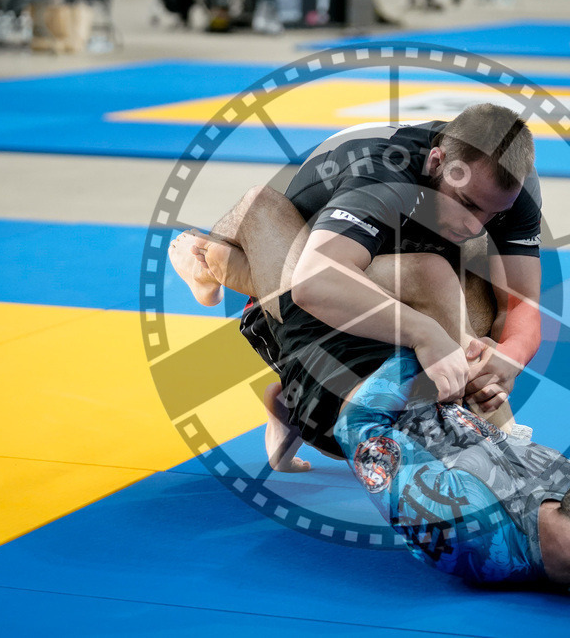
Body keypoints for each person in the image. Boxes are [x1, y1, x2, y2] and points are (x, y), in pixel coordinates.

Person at [172, 183, 570, 611]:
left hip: (341, 394)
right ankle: (278, 376)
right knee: (454, 260)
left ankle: (214, 267)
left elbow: (363, 428)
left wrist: (431, 340)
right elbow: (483, 426)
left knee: (261, 208)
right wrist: (480, 369)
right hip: (426, 389)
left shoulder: (464, 530)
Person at [170, 104, 543, 469]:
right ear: (435, 162)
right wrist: (424, 332)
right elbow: (315, 282)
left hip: (380, 270)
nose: (476, 224)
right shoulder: (383, 170)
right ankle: (225, 264)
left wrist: (510, 356)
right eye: (466, 204)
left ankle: (490, 434)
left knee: (472, 294)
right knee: (260, 206)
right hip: (298, 288)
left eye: (493, 214)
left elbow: (521, 302)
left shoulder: (513, 185)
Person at [335, 352, 570, 612]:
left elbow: (355, 423)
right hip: (441, 384)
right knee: (471, 275)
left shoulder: (465, 526)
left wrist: (428, 341)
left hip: (357, 384)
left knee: (426, 272)